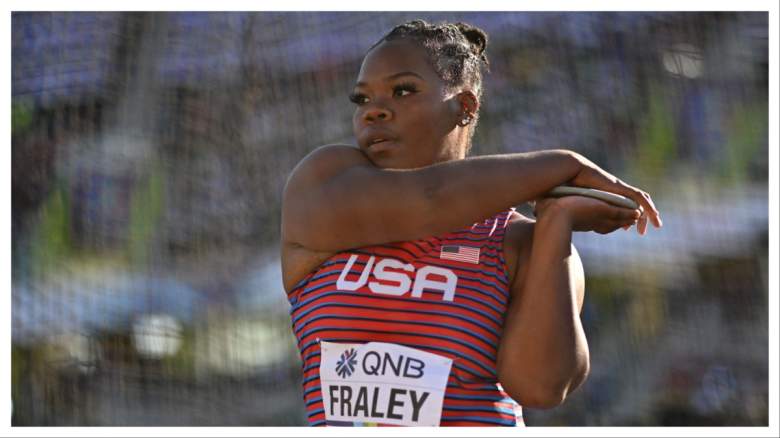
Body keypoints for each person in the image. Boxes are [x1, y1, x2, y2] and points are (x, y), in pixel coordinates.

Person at [280, 19, 662, 427]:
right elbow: (429, 199)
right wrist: (564, 164)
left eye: (402, 90)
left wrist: (555, 222)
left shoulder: (517, 240)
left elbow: (541, 387)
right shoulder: (322, 183)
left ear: (464, 107)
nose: (373, 110)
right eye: (361, 99)